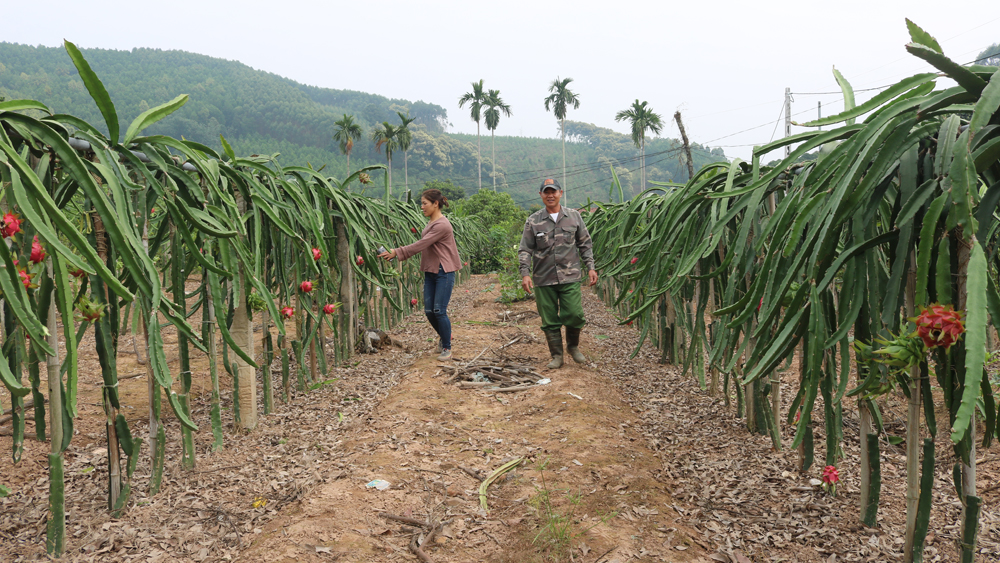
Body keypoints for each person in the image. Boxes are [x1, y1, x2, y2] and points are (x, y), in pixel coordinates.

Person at [518, 178, 598, 369]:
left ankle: (573, 346)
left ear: (561, 193)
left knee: (574, 313)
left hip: (570, 276)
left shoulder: (574, 217)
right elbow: (525, 249)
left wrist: (591, 267)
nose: (550, 195)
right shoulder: (533, 220)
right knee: (549, 318)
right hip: (543, 277)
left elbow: (585, 244)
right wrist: (525, 273)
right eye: (546, 192)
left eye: (554, 191)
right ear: (541, 195)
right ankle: (556, 355)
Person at [379, 189, 462, 361]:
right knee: (429, 311)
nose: (422, 207)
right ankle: (445, 336)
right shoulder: (431, 223)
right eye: (422, 203)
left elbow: (422, 243)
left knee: (439, 310)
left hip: (443, 272)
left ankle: (447, 347)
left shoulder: (442, 225)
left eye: (425, 203)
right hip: (431, 271)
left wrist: (397, 252)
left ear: (435, 204)